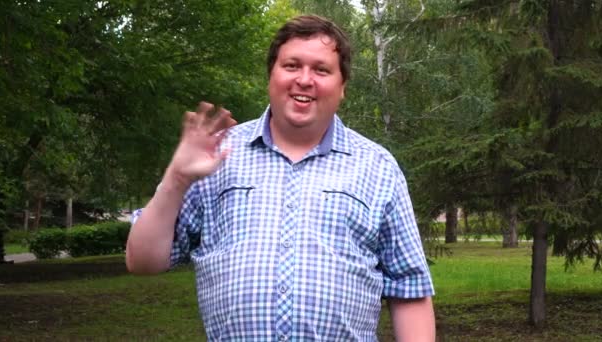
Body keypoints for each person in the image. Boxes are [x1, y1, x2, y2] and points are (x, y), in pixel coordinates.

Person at [126, 15, 435, 341]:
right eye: (291, 65)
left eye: (321, 69)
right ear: (271, 76)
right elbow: (142, 261)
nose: (305, 79)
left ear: (342, 86)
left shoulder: (378, 167)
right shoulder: (215, 156)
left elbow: (409, 289)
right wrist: (176, 177)